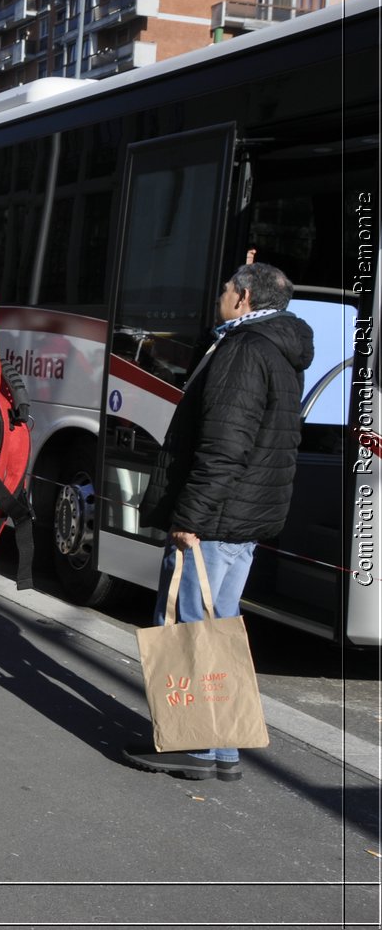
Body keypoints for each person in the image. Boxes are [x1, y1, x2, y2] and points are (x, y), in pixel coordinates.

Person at [123, 262, 314, 782]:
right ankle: (224, 746)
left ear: (245, 297)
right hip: (243, 517)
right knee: (218, 626)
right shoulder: (279, 348)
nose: (220, 294)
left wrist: (191, 518)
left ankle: (198, 746)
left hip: (216, 518)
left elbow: (224, 445)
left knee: (192, 628)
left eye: (228, 288)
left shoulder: (245, 349)